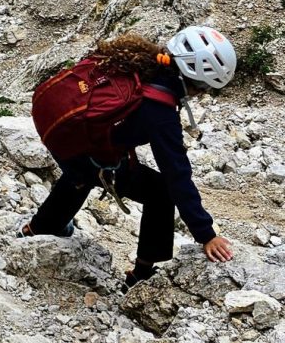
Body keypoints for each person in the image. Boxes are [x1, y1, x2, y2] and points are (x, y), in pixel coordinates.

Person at [22, 26, 236, 286]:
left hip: (61, 127)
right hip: (81, 144)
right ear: (195, 81)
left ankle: (37, 229)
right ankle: (142, 275)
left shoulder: (140, 60)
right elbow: (177, 174)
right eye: (204, 88)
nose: (201, 94)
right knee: (158, 192)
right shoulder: (159, 111)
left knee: (84, 173)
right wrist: (206, 234)